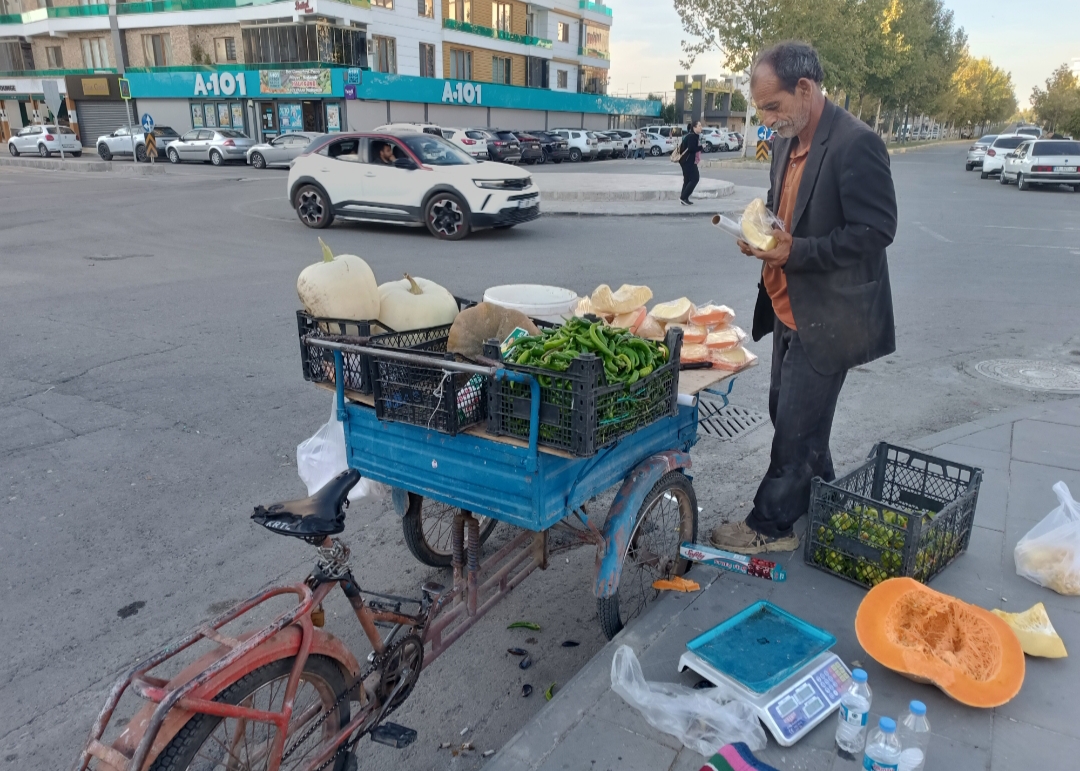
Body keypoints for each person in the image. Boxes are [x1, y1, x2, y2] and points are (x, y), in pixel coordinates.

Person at [709, 40, 897, 555]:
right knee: (788, 413)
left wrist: (797, 250)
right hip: (786, 304)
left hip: (829, 314)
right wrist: (765, 235)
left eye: (772, 106)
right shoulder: (787, 138)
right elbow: (783, 207)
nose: (766, 119)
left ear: (806, 89)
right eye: (761, 109)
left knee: (794, 428)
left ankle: (770, 526)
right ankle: (826, 496)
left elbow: (877, 230)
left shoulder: (857, 143)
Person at [679, 120, 702, 205]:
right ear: (694, 127)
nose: (701, 127)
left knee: (687, 180)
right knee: (695, 178)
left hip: (685, 161)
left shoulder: (691, 136)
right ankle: (683, 197)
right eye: (699, 126)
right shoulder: (692, 136)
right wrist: (701, 147)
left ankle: (684, 198)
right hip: (688, 161)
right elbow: (691, 149)